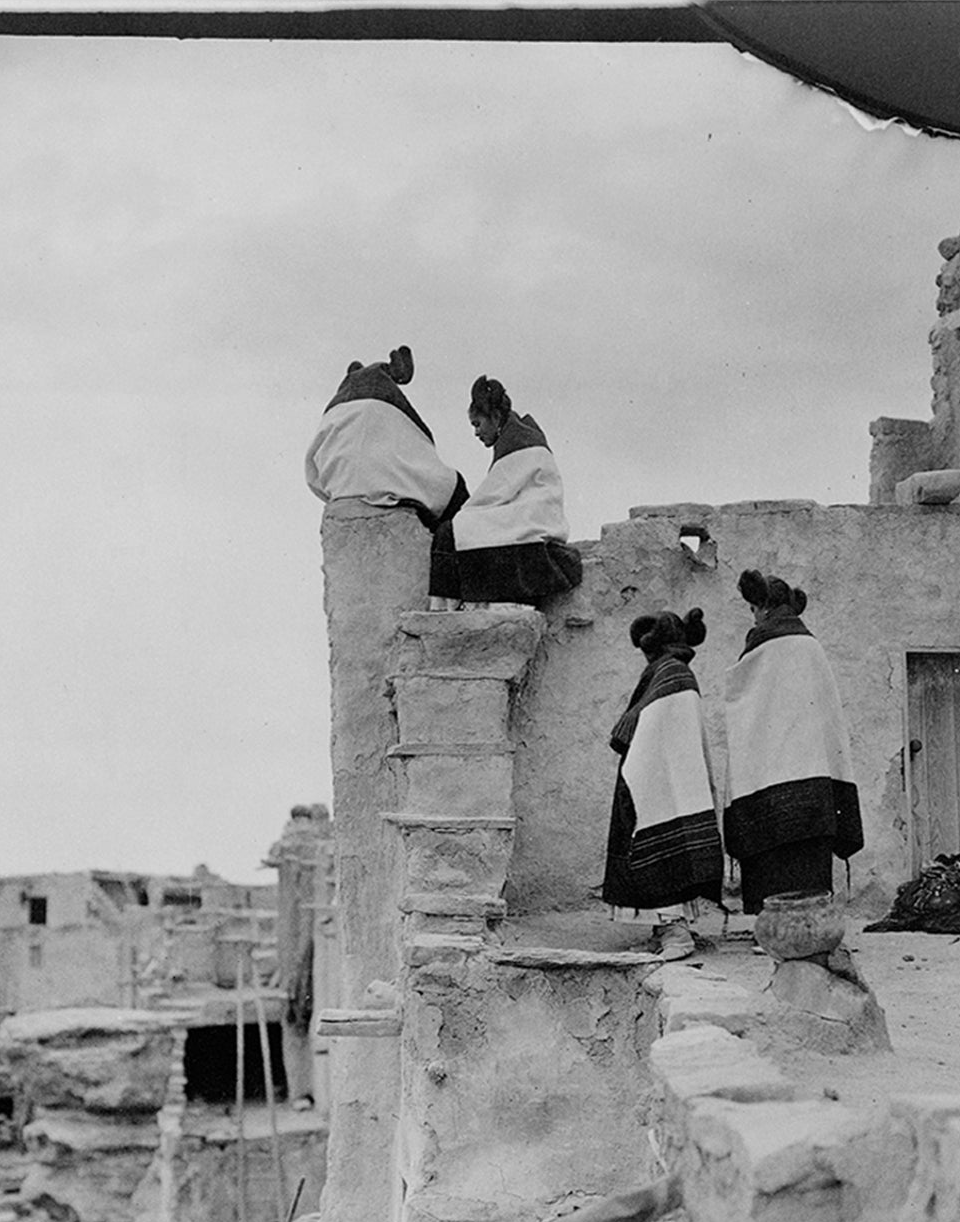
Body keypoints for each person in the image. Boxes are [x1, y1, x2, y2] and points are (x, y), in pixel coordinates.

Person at [721, 570, 863, 911]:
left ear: (763, 608)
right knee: (808, 868)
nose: (753, 618)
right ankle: (810, 927)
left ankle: (770, 928)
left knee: (769, 859)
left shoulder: (759, 650)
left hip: (768, 785)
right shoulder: (811, 647)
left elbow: (744, 709)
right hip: (814, 784)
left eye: (753, 610)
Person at [600, 609, 724, 951]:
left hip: (656, 781)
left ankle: (674, 932)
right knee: (673, 849)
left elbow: (630, 729)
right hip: (675, 781)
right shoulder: (677, 672)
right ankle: (665, 929)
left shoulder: (668, 674)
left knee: (656, 847)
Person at [428, 376, 584, 606]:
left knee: (452, 530)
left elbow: (490, 495)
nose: (476, 433)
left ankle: (448, 607)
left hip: (532, 519)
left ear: (496, 418)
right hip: (533, 516)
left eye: (477, 424)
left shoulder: (517, 442)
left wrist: (462, 515)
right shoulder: (519, 435)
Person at [305, 345, 467, 526]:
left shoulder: (336, 425)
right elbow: (445, 490)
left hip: (341, 495)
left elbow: (314, 473)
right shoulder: (386, 420)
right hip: (388, 501)